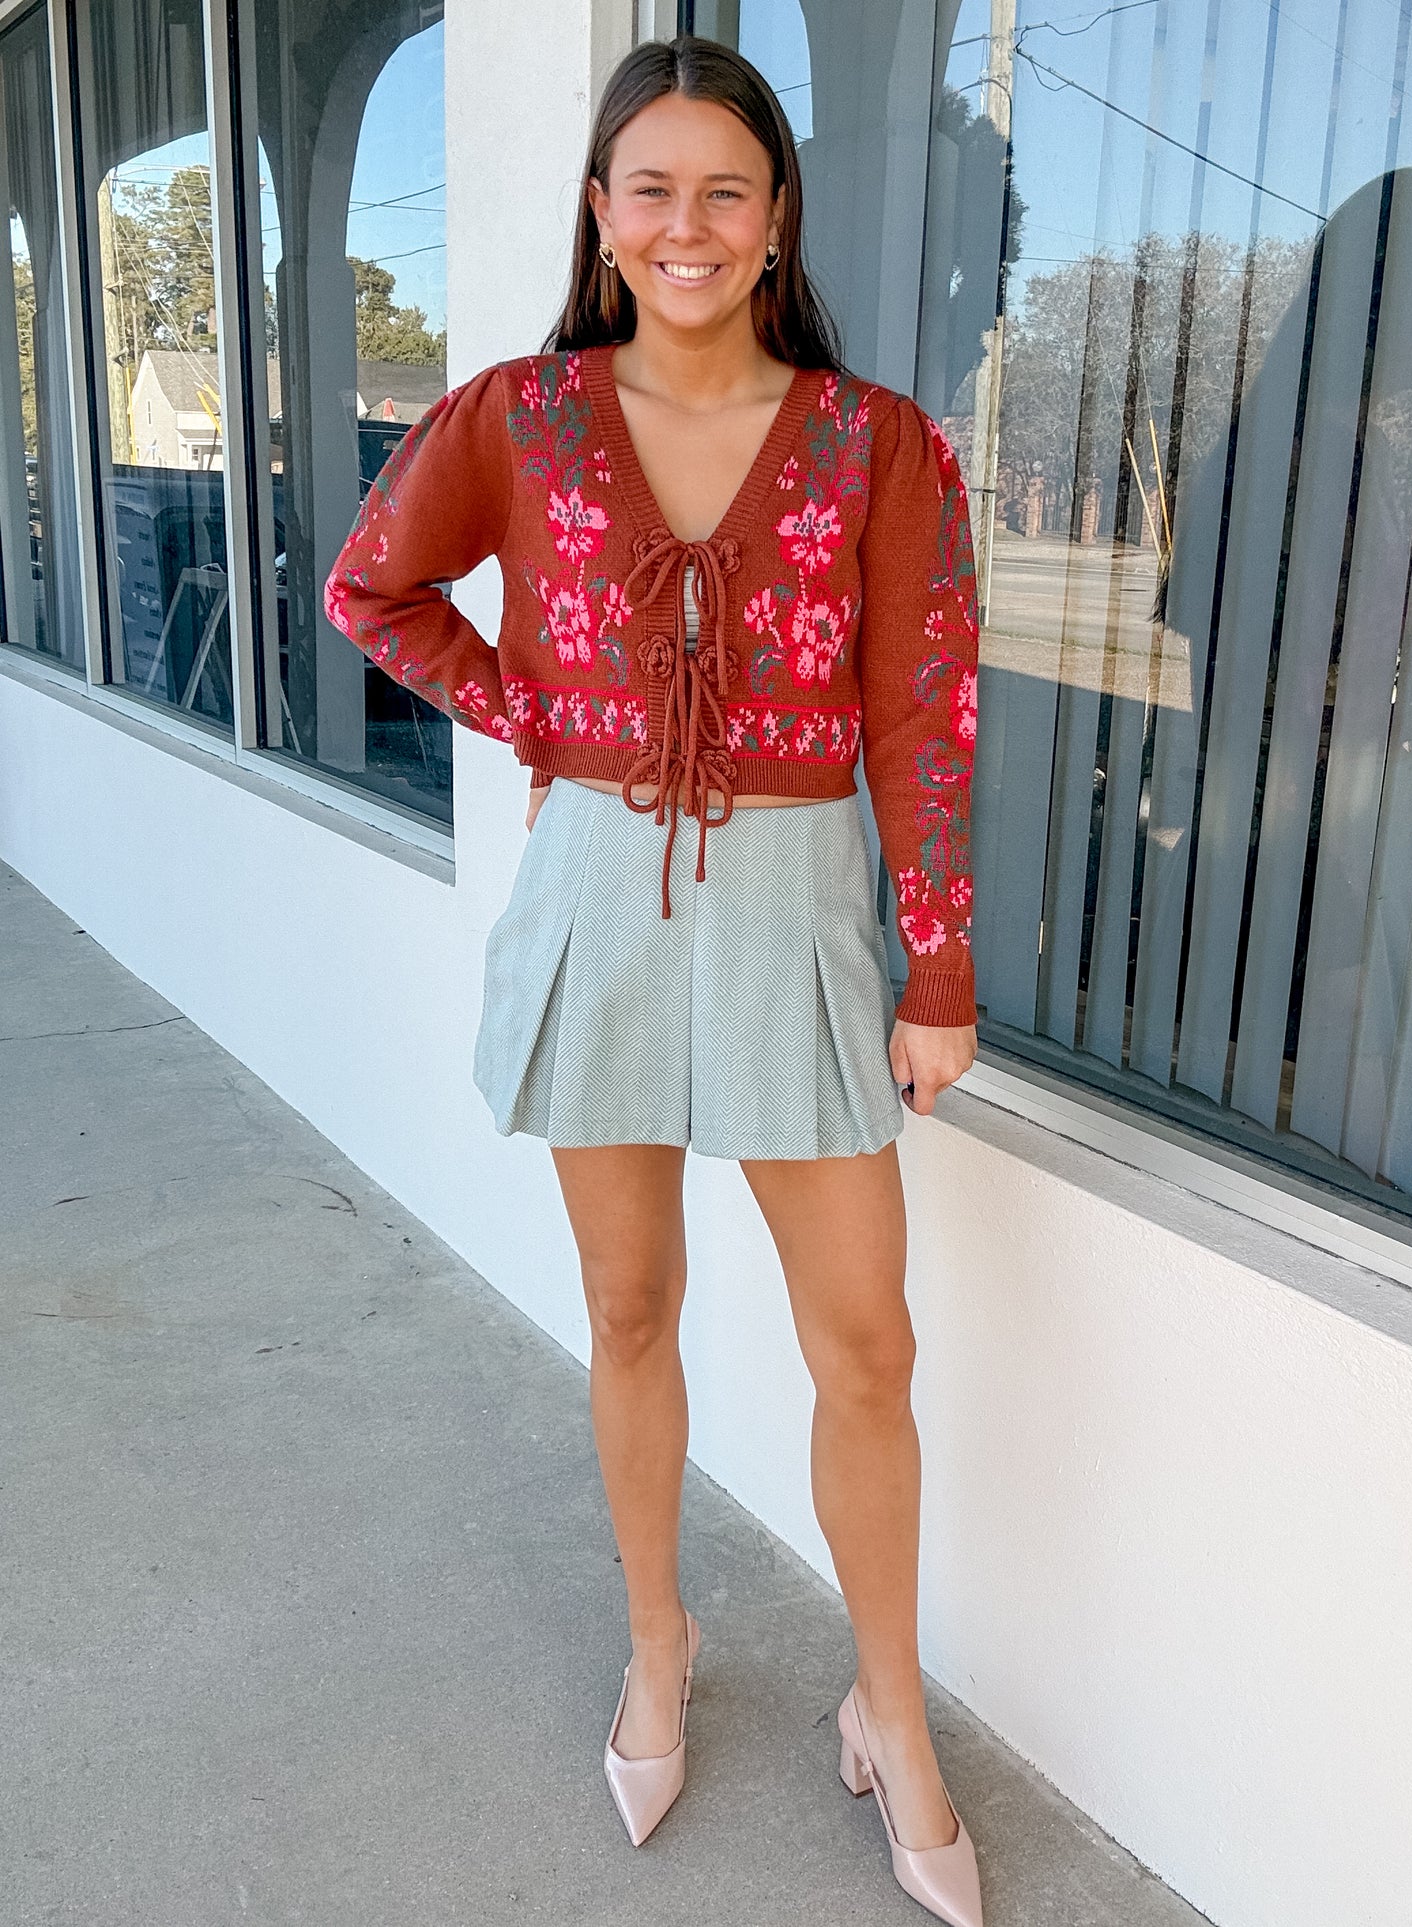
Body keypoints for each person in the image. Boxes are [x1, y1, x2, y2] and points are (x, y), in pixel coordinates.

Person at [324, 35, 983, 1927]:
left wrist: (932, 971)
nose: (683, 225)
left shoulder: (876, 445)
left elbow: (919, 723)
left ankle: (889, 1709)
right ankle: (658, 1642)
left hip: (798, 913)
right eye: (648, 188)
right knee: (630, 1310)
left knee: (868, 1343)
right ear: (601, 217)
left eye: (723, 189)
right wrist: (544, 713)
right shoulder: (514, 419)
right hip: (602, 892)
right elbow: (379, 588)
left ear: (774, 221)